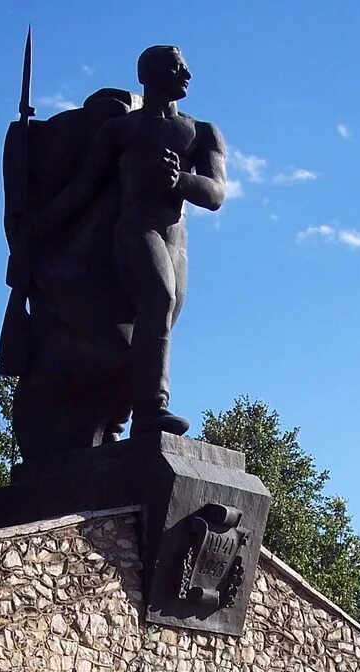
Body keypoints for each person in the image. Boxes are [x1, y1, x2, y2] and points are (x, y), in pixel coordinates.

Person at [34, 45, 227, 437]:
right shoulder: (122, 129)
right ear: (149, 74)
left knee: (156, 328)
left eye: (186, 68)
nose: (187, 75)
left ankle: (114, 421)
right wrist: (36, 229)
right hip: (136, 231)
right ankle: (152, 409)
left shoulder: (203, 132)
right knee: (160, 300)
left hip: (177, 242)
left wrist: (182, 181)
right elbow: (83, 188)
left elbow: (216, 194)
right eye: (177, 68)